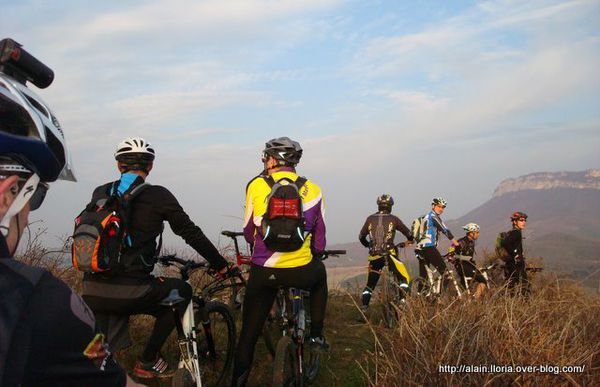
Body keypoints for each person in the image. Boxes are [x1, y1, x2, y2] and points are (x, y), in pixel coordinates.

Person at [0, 40, 133, 386]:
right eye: (34, 196)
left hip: (95, 284)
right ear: (8, 193)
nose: (27, 216)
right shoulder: (34, 299)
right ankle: (153, 359)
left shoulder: (101, 194)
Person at [81, 137, 234, 379]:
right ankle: (148, 359)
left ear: (119, 166)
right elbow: (189, 232)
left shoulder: (100, 193)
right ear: (150, 167)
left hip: (92, 288)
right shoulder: (158, 196)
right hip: (132, 291)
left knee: (97, 354)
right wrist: (221, 265)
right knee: (181, 292)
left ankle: (92, 373)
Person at [232, 137, 327, 386]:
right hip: (302, 270)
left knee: (248, 336)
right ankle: (316, 336)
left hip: (265, 271)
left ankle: (238, 381)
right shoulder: (314, 189)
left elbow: (247, 233)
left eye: (265, 157)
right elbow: (319, 243)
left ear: (272, 160)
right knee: (320, 278)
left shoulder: (255, 186)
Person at [358, 194, 413, 311]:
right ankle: (403, 301)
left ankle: (364, 308)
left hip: (374, 257)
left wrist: (368, 245)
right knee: (404, 278)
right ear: (390, 206)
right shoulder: (394, 219)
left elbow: (361, 236)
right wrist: (410, 240)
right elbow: (408, 233)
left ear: (378, 206)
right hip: (389, 255)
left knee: (370, 285)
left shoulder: (370, 219)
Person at [414, 197, 459, 284]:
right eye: (439, 206)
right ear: (433, 206)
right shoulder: (433, 216)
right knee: (445, 273)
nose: (441, 209)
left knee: (423, 277)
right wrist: (456, 244)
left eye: (443, 207)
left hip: (420, 248)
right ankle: (439, 295)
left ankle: (421, 295)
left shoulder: (425, 217)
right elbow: (445, 230)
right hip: (428, 247)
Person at [448, 223, 487, 298]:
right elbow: (451, 250)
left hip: (468, 266)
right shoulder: (461, 242)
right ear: (471, 233)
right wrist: (456, 257)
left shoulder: (471, 242)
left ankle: (460, 302)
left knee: (465, 289)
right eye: (477, 232)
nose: (478, 234)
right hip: (462, 267)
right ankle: (475, 300)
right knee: (483, 281)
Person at [499, 211, 530, 295]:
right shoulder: (516, 232)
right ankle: (525, 305)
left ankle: (507, 303)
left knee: (511, 286)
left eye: (525, 220)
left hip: (511, 263)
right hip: (516, 264)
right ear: (514, 222)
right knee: (525, 286)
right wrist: (516, 255)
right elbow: (505, 243)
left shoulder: (514, 232)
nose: (524, 222)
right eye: (521, 220)